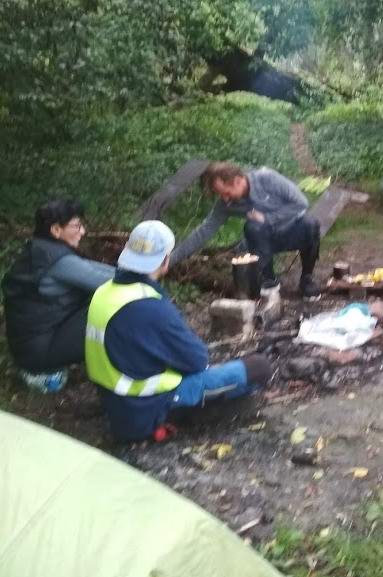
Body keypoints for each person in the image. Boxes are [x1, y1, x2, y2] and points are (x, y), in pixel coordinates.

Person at [86, 220, 271, 442]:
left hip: (114, 401)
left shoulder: (104, 292)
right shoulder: (150, 307)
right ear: (165, 260)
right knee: (259, 366)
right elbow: (198, 360)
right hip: (146, 408)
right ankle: (199, 414)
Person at [2, 200, 114, 386]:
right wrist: (144, 274)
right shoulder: (58, 261)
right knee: (116, 308)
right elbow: (112, 282)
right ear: (56, 230)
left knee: (107, 304)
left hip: (30, 347)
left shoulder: (42, 250)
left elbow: (94, 269)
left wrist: (133, 271)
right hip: (38, 352)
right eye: (77, 226)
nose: (83, 232)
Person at [171, 161, 322, 298]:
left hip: (292, 229)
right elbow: (204, 231)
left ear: (237, 181)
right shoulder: (226, 204)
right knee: (253, 226)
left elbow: (301, 203)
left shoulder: (267, 178)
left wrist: (268, 219)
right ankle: (269, 280)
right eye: (220, 195)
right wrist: (170, 259)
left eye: (226, 193)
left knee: (312, 224)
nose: (224, 199)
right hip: (263, 242)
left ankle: (307, 278)